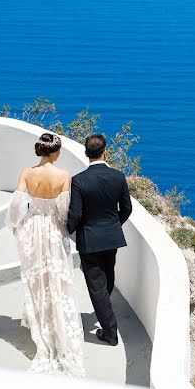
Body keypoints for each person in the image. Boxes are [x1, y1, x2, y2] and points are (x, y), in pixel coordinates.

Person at [7, 133, 86, 376]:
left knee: (35, 278)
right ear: (55, 152)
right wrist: (61, 226)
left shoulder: (27, 173)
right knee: (57, 277)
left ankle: (39, 320)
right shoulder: (64, 176)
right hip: (52, 229)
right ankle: (58, 325)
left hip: (32, 228)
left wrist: (15, 225)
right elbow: (63, 210)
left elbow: (16, 204)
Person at [67, 133, 133, 347]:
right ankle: (105, 312)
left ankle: (110, 333)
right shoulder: (119, 176)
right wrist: (114, 225)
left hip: (90, 240)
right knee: (108, 278)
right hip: (111, 238)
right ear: (106, 151)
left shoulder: (78, 180)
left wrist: (69, 230)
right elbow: (127, 209)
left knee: (97, 287)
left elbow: (75, 214)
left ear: (86, 154)